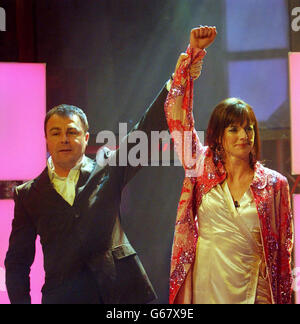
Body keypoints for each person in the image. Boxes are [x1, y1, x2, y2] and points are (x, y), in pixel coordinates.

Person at [4, 43, 202, 304]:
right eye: (56, 133)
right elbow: (18, 263)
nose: (64, 139)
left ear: (86, 138)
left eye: (72, 132)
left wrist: (177, 80)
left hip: (121, 295)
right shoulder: (28, 195)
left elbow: (143, 130)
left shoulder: (107, 166)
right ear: (46, 140)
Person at [165, 26, 294, 304]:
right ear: (218, 136)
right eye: (234, 129)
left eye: (249, 128)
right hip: (206, 289)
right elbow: (177, 114)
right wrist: (193, 54)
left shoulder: (274, 184)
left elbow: (285, 253)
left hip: (255, 293)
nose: (244, 135)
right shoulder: (200, 166)